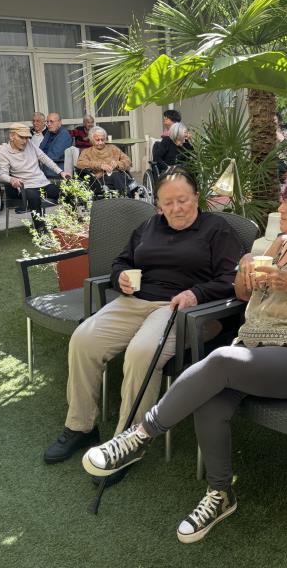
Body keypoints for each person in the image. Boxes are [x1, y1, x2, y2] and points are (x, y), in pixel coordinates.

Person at [82, 171, 287, 544]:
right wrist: (245, 273)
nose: (281, 209)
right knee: (211, 401)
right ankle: (221, 493)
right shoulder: (280, 244)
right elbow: (244, 295)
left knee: (221, 360)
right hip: (254, 347)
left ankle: (142, 434)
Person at [44, 168, 243, 476]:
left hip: (186, 310)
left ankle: (127, 443)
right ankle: (81, 427)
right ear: (158, 205)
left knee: (142, 352)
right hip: (135, 301)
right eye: (168, 202)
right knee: (83, 339)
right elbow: (122, 261)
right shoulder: (149, 226)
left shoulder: (217, 229)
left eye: (183, 200)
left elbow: (233, 279)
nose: (176, 208)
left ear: (196, 198)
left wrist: (197, 293)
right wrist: (120, 276)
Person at [0, 123, 67, 231]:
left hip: (42, 182)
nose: (25, 141)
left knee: (67, 193)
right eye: (21, 137)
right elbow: (2, 175)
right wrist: (11, 179)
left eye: (27, 137)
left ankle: (71, 223)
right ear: (11, 136)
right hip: (26, 186)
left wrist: (60, 172)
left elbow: (44, 158)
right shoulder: (4, 151)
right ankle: (40, 230)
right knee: (34, 197)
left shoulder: (30, 144)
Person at [75, 126, 133, 196]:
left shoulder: (113, 148)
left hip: (120, 176)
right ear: (92, 140)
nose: (100, 142)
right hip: (101, 180)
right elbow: (80, 164)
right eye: (97, 140)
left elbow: (127, 160)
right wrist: (100, 165)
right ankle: (125, 197)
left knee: (118, 176)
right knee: (116, 176)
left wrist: (117, 164)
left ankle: (125, 196)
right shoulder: (87, 152)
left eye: (102, 140)